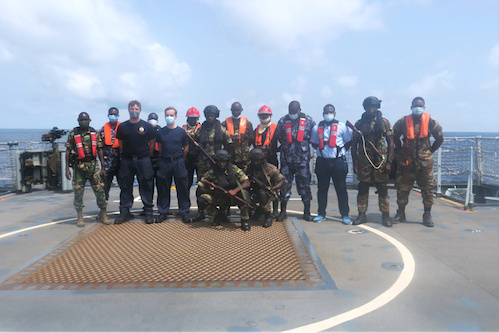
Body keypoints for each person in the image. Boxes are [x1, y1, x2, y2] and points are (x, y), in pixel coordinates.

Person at [392, 97, 444, 227]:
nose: (418, 108)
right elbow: (394, 136)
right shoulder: (403, 122)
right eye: (415, 106)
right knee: (402, 188)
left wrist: (430, 150)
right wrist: (399, 150)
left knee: (427, 188)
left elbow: (440, 138)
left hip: (425, 163)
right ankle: (401, 213)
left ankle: (427, 214)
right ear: (411, 107)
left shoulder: (431, 122)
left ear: (424, 108)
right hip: (406, 162)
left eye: (420, 106)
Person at [351, 96, 394, 227]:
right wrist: (355, 162)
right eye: (369, 106)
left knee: (382, 187)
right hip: (364, 160)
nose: (371, 108)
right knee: (363, 187)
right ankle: (362, 214)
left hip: (380, 160)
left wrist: (389, 162)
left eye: (373, 106)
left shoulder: (384, 122)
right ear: (365, 107)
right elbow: (354, 144)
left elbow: (391, 143)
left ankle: (385, 216)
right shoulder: (359, 124)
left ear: (377, 107)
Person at [114, 100, 157, 224]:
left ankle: (148, 212)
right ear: (128, 110)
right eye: (132, 109)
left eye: (136, 109)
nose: (134, 111)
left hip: (143, 160)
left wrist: (145, 156)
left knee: (146, 186)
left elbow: (152, 144)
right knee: (125, 186)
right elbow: (120, 144)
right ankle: (125, 212)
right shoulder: (122, 127)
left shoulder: (147, 126)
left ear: (140, 110)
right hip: (127, 161)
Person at [65, 112, 110, 227]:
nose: (84, 122)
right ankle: (80, 217)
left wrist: (103, 166)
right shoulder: (73, 134)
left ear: (90, 120)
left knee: (100, 190)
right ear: (78, 121)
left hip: (93, 166)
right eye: (82, 120)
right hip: (79, 167)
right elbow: (68, 151)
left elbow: (100, 149)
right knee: (78, 192)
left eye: (86, 120)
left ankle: (103, 214)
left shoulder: (94, 133)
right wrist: (67, 169)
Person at [189, 105, 232, 223]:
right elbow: (195, 143)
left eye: (212, 115)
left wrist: (224, 159)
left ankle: (223, 212)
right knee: (201, 187)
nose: (210, 117)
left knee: (222, 186)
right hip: (203, 163)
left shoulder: (222, 129)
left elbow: (229, 145)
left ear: (216, 115)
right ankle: (201, 212)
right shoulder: (200, 130)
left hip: (217, 164)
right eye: (208, 115)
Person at [311, 104, 353, 224]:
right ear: (323, 113)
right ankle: (321, 213)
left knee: (341, 189)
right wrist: (322, 148)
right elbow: (313, 143)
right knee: (322, 189)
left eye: (330, 112)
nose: (328, 114)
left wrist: (340, 151)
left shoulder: (342, 127)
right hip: (322, 162)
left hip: (338, 162)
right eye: (326, 112)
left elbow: (348, 141)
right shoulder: (316, 128)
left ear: (334, 113)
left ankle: (345, 214)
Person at [275, 101, 316, 222]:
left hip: (302, 162)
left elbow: (314, 137)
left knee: (305, 186)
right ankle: (283, 212)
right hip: (286, 161)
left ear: (299, 110)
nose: (292, 114)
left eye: (294, 111)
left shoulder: (309, 121)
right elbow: (278, 136)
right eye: (290, 112)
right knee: (284, 186)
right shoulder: (282, 121)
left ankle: (307, 212)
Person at [196, 150, 251, 231]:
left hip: (233, 197)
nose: (221, 164)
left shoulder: (234, 169)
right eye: (219, 162)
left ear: (227, 161)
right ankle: (218, 215)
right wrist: (214, 192)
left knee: (245, 195)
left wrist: (235, 190)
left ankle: (244, 220)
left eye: (223, 162)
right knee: (202, 200)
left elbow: (246, 182)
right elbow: (201, 186)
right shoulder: (212, 172)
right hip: (220, 197)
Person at [155, 107, 190, 223]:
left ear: (175, 117)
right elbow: (159, 147)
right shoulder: (160, 132)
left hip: (179, 161)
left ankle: (184, 211)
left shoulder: (181, 132)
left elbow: (186, 148)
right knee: (163, 188)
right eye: (167, 115)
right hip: (165, 161)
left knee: (182, 187)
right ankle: (163, 212)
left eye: (171, 115)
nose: (169, 117)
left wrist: (181, 158)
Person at [246, 148, 285, 228]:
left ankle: (268, 216)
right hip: (254, 190)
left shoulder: (270, 168)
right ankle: (257, 211)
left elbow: (282, 181)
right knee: (244, 195)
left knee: (262, 194)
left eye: (258, 160)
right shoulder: (249, 168)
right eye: (254, 160)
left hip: (269, 191)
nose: (256, 163)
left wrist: (273, 188)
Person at [253, 105, 280, 216]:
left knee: (274, 183)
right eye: (262, 115)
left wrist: (274, 151)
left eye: (266, 115)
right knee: (259, 185)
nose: (264, 117)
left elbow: (283, 142)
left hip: (271, 160)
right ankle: (260, 209)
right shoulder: (257, 129)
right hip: (258, 162)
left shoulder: (276, 128)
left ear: (270, 116)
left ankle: (275, 211)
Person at [222, 102, 254, 171]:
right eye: (234, 110)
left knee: (245, 176)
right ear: (231, 110)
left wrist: (244, 147)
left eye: (238, 110)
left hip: (244, 158)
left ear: (241, 110)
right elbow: (222, 139)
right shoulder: (224, 124)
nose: (236, 112)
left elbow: (251, 139)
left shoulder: (248, 124)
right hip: (230, 156)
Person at [99, 107, 120, 201]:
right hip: (107, 164)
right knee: (104, 188)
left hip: (121, 163)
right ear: (108, 116)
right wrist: (102, 166)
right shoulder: (102, 130)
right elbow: (99, 148)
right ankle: (103, 210)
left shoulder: (124, 128)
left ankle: (125, 210)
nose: (113, 116)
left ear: (118, 116)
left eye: (115, 114)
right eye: (111, 114)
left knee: (125, 187)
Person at [146, 112, 161, 216]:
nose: (153, 120)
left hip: (160, 161)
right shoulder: (144, 130)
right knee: (147, 186)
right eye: (151, 118)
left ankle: (162, 208)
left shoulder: (162, 131)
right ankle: (147, 207)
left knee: (161, 186)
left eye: (154, 118)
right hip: (148, 161)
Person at [182, 107, 202, 189]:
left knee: (201, 182)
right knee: (187, 183)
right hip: (187, 159)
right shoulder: (182, 129)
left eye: (194, 118)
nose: (193, 120)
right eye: (191, 118)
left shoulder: (201, 129)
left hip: (198, 159)